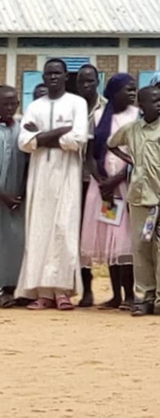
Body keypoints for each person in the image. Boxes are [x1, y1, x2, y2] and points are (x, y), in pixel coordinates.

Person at [16, 59, 88, 310]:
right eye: (48, 74)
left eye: (57, 73)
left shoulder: (77, 103)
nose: (53, 77)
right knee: (38, 230)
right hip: (40, 177)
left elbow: (78, 138)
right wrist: (60, 131)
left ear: (66, 76)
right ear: (43, 77)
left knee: (63, 229)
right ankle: (42, 292)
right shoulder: (35, 105)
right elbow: (24, 142)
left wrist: (42, 135)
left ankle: (62, 292)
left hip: (66, 175)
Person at [108, 86, 160, 317]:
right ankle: (146, 297)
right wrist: (130, 159)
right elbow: (111, 144)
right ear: (142, 106)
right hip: (139, 198)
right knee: (141, 248)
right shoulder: (130, 130)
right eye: (154, 101)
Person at [80, 74, 139, 310]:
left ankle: (131, 295)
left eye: (135, 89)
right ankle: (115, 295)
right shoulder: (97, 116)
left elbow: (138, 156)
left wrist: (116, 179)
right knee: (110, 242)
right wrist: (101, 181)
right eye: (129, 89)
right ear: (114, 93)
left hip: (126, 185)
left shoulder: (137, 117)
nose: (133, 93)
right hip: (103, 190)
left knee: (126, 243)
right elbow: (91, 155)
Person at [77, 63, 104, 307]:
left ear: (98, 82)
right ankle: (86, 289)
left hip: (99, 180)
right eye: (82, 81)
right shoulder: (72, 106)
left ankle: (120, 291)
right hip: (73, 180)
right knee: (78, 235)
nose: (86, 85)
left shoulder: (106, 108)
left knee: (105, 233)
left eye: (91, 81)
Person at [0, 86, 27, 308]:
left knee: (13, 243)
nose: (10, 108)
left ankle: (10, 288)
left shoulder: (21, 130)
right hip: (2, 195)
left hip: (15, 199)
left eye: (13, 104)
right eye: (5, 104)